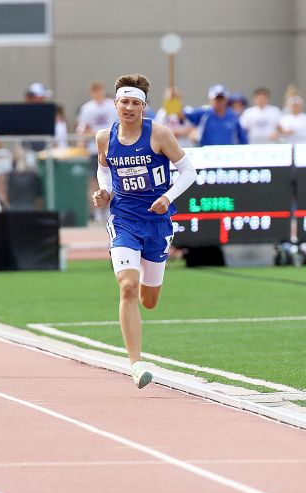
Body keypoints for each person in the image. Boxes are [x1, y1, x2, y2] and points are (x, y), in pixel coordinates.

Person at [91, 74, 198, 389]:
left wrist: (167, 197)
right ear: (115, 104)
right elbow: (104, 168)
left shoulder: (160, 134)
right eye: (124, 101)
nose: (129, 107)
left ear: (143, 107)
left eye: (135, 102)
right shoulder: (103, 137)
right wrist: (104, 192)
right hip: (124, 220)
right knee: (127, 287)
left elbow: (189, 171)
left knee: (148, 300)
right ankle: (136, 364)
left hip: (157, 223)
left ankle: (140, 293)